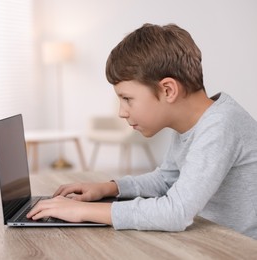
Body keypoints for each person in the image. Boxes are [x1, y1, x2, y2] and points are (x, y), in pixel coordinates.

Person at [27, 23, 257, 239]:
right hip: (208, 238)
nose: (122, 112)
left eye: (127, 99)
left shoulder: (219, 126)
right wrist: (109, 188)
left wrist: (84, 211)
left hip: (238, 247)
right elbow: (167, 180)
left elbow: (175, 212)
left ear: (168, 90)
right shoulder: (194, 123)